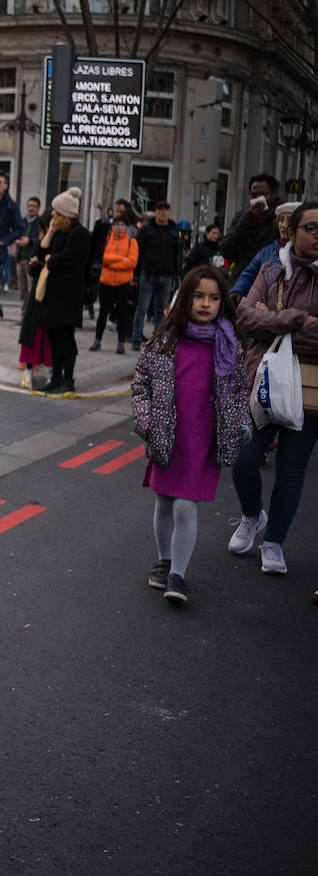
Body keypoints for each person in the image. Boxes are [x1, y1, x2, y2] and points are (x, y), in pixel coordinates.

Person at [131, 265, 248, 604]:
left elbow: (239, 390)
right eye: (198, 296)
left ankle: (177, 575)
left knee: (185, 506)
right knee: (165, 501)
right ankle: (163, 560)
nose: (205, 304)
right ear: (185, 298)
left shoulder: (229, 345)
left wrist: (241, 422)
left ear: (222, 303)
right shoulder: (164, 341)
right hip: (167, 435)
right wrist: (146, 420)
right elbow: (141, 385)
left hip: (204, 439)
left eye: (213, 297)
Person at [226, 200, 318, 576]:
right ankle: (252, 515)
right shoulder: (270, 268)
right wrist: (296, 320)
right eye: (311, 227)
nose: (317, 235)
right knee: (244, 458)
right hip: (262, 379)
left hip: (310, 387)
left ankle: (274, 541)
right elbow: (244, 317)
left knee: (291, 470)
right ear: (291, 231)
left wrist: (272, 320)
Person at [28, 188, 90, 394]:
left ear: (64, 213)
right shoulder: (60, 231)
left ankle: (68, 379)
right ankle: (55, 377)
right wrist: (51, 232)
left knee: (65, 339)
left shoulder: (78, 233)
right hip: (52, 295)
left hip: (67, 296)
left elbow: (68, 259)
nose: (52, 214)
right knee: (53, 338)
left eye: (55, 211)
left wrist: (50, 260)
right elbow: (43, 251)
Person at [132, 201, 181, 350]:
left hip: (166, 275)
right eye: (160, 209)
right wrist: (136, 274)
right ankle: (136, 338)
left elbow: (177, 255)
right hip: (148, 273)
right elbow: (138, 252)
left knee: (161, 311)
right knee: (142, 307)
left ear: (169, 212)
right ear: (155, 212)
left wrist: (176, 275)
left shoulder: (173, 231)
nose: (163, 212)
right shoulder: (147, 229)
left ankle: (158, 339)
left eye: (166, 209)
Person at [89, 214, 138, 354]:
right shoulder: (106, 240)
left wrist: (112, 264)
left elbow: (132, 262)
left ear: (127, 227)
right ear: (113, 226)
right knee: (103, 313)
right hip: (106, 282)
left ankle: (121, 343)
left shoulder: (131, 242)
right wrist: (120, 259)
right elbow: (102, 258)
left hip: (123, 283)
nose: (119, 227)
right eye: (117, 224)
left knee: (122, 314)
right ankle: (97, 340)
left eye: (122, 225)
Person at [230, 202, 299, 301]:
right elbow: (249, 275)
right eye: (281, 220)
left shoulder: (304, 253)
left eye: (289, 220)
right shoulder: (266, 252)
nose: (284, 225)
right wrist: (237, 290)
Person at [17, 212, 55, 389]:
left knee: (49, 335)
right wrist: (35, 265)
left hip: (53, 293)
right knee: (33, 333)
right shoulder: (40, 242)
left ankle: (51, 372)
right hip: (38, 293)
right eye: (46, 225)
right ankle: (28, 371)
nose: (48, 228)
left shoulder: (60, 241)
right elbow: (33, 269)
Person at [221, 173, 281, 281]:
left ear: (274, 194)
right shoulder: (242, 216)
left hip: (269, 280)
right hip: (242, 278)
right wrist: (247, 220)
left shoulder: (281, 218)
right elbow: (227, 250)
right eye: (254, 195)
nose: (259, 199)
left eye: (263, 194)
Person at [13, 196, 41, 295]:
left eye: (33, 206)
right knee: (22, 291)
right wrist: (16, 239)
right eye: (29, 206)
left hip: (32, 259)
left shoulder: (40, 223)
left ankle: (30, 310)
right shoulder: (22, 221)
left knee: (31, 289)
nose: (31, 208)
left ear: (38, 208)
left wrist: (30, 241)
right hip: (20, 258)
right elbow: (16, 233)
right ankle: (23, 310)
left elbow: (41, 239)